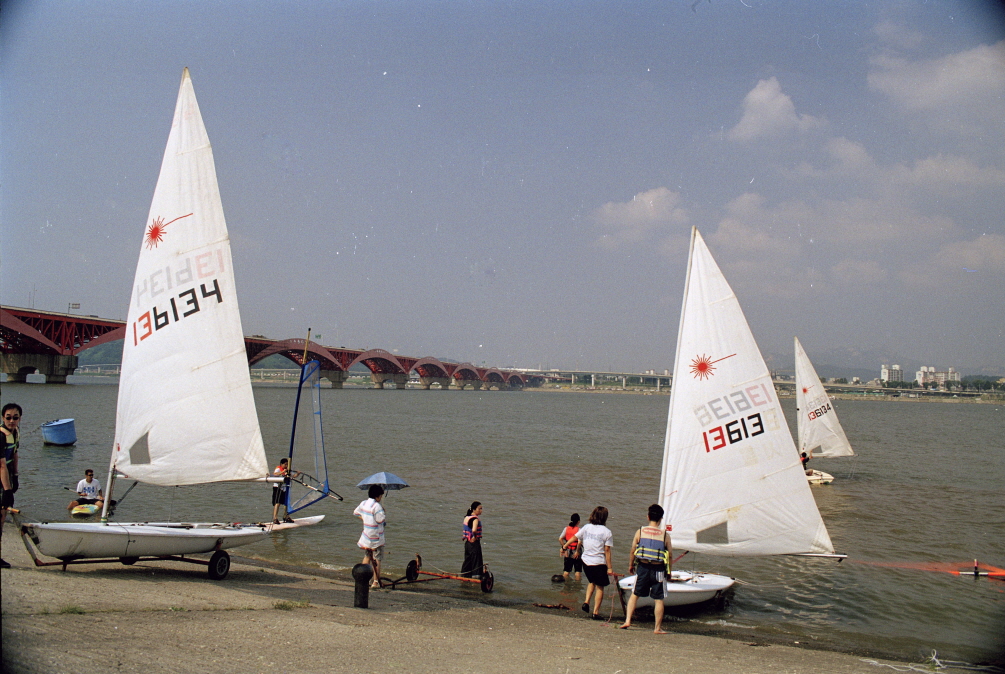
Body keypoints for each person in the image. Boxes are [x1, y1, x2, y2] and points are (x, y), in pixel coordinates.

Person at [620, 503, 673, 634]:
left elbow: (633, 550)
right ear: (661, 519)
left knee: (634, 595)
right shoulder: (665, 535)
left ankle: (627, 621)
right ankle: (657, 628)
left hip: (643, 567)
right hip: (658, 569)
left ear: (648, 516)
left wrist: (631, 565)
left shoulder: (640, 531)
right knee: (658, 599)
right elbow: (670, 555)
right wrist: (669, 571)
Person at [564, 506, 613, 620]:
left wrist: (565, 546)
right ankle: (595, 612)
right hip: (599, 562)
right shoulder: (607, 532)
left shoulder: (586, 527)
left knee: (592, 581)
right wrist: (609, 568)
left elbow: (575, 538)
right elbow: (607, 550)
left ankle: (586, 602)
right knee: (600, 587)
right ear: (605, 518)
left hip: (586, 561)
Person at [1, 403, 23, 569]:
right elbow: (1, 465)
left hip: (5, 475)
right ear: (3, 418)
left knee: (2, 516)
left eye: (15, 417)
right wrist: (8, 491)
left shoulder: (15, 433)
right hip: (0, 474)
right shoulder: (0, 436)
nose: (11, 420)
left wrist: (15, 476)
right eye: (8, 417)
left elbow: (14, 454)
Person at [354, 485, 386, 588]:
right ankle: (375, 581)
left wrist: (365, 519)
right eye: (381, 496)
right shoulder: (377, 506)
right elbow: (380, 520)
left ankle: (363, 579)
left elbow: (356, 513)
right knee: (377, 559)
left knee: (367, 556)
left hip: (367, 537)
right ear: (378, 496)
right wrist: (383, 512)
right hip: (376, 538)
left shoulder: (364, 503)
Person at [271, 458, 299, 524]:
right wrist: (283, 472)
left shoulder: (288, 470)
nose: (286, 466)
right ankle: (275, 518)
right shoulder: (278, 468)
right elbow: (275, 474)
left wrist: (297, 474)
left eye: (287, 464)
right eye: (285, 464)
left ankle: (286, 516)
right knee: (277, 503)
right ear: (281, 464)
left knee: (286, 503)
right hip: (278, 488)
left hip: (285, 488)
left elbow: (293, 476)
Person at [461, 501, 484, 578]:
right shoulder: (475, 519)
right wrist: (475, 537)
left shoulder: (466, 517)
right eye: (479, 509)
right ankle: (476, 578)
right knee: (476, 561)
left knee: (468, 561)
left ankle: (464, 576)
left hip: (467, 543)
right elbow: (474, 530)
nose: (481, 510)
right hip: (474, 543)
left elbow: (466, 529)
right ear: (474, 509)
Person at [558, 512, 583, 582]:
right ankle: (577, 587)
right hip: (576, 551)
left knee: (566, 571)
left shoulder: (566, 529)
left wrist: (564, 547)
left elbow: (560, 539)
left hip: (568, 551)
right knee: (577, 572)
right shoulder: (579, 530)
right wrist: (577, 551)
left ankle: (566, 586)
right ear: (578, 522)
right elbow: (579, 542)